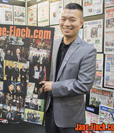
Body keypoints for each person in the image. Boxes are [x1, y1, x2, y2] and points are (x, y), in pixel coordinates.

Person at [40, 3, 96, 133]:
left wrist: (54, 87)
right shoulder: (52, 44)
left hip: (70, 116)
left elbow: (84, 85)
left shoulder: (88, 51)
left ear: (81, 23)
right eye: (63, 19)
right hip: (49, 110)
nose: (66, 24)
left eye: (72, 20)